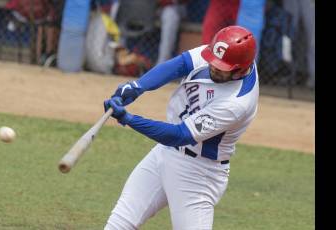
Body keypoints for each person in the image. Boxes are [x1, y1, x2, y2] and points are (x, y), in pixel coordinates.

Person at [103, 25, 259, 229]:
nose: (213, 67)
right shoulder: (222, 53)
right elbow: (179, 65)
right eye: (212, 61)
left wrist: (129, 119)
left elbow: (180, 135)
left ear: (239, 70)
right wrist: (137, 86)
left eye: (220, 68)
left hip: (199, 173)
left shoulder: (237, 102)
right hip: (164, 153)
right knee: (120, 222)